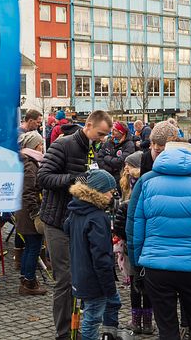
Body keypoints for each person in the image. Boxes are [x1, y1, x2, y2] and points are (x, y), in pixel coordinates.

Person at [127, 142, 191, 340]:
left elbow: (134, 230)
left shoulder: (145, 182)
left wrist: (137, 267)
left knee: (167, 329)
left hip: (156, 266)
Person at [38, 110, 113, 340]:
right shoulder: (63, 145)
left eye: (106, 135)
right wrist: (72, 179)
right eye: (101, 133)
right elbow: (42, 177)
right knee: (66, 279)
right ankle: (64, 334)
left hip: (79, 222)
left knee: (81, 278)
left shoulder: (94, 148)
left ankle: (77, 327)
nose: (103, 139)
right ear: (88, 125)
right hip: (57, 221)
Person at [64, 169, 124, 340]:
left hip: (80, 273)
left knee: (113, 304)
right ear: (98, 192)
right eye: (110, 191)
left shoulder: (76, 210)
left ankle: (109, 335)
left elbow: (67, 228)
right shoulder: (98, 217)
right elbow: (101, 257)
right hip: (95, 279)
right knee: (92, 317)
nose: (112, 195)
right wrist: (108, 285)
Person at [113, 151, 154, 335]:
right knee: (140, 284)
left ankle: (143, 321)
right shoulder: (128, 183)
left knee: (140, 282)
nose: (126, 168)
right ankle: (142, 321)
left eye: (129, 165)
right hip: (135, 241)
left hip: (136, 242)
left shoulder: (139, 186)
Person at [15, 131, 47, 295]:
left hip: (23, 210)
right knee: (33, 246)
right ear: (35, 145)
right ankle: (29, 282)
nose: (42, 147)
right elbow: (28, 192)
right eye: (40, 144)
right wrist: (35, 212)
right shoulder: (30, 164)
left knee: (30, 246)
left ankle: (26, 278)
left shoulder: (27, 161)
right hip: (28, 212)